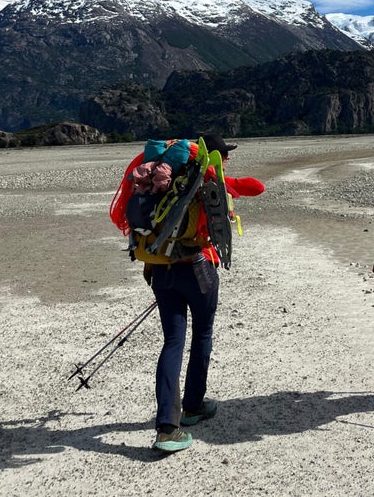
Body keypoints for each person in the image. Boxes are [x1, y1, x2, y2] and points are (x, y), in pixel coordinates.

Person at [110, 133, 265, 453]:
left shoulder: (160, 183)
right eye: (225, 154)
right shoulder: (206, 179)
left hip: (160, 270)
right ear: (213, 157)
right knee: (203, 335)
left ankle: (167, 427)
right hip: (197, 269)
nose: (228, 160)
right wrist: (220, 175)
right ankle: (193, 404)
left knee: (172, 342)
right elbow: (257, 187)